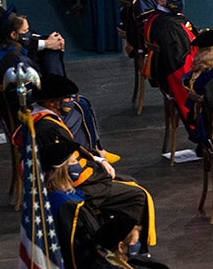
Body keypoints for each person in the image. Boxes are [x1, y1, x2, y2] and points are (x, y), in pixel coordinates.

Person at [17, 73, 158, 250]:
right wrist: (101, 173)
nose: (70, 102)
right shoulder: (48, 128)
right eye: (66, 98)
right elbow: (73, 170)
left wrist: (98, 158)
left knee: (129, 181)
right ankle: (126, 247)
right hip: (69, 185)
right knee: (137, 194)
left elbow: (71, 148)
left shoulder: (36, 118)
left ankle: (112, 236)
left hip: (60, 179)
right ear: (52, 102)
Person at [41, 133, 101, 269]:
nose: (78, 165)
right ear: (62, 170)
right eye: (74, 162)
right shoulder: (69, 204)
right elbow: (91, 238)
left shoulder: (50, 195)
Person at [141, 0, 196, 120]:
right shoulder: (168, 26)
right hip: (177, 77)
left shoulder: (156, 17)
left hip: (169, 71)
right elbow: (179, 64)